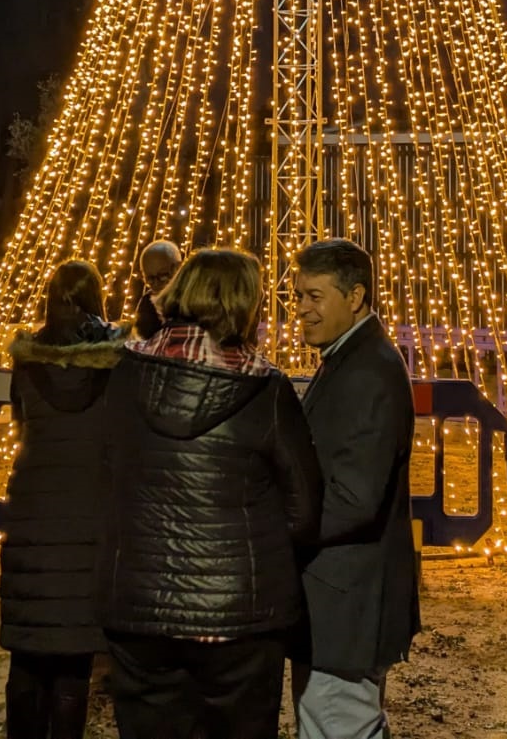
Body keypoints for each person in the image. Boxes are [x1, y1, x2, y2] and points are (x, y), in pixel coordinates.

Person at [101, 248, 323, 739]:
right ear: (243, 306)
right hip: (240, 616)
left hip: (138, 607)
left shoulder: (124, 373)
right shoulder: (266, 388)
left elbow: (107, 474)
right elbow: (303, 511)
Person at [290, 239, 419, 739]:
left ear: (356, 296)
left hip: (346, 604)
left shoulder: (368, 372)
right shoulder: (348, 359)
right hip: (340, 600)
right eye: (299, 296)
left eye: (315, 296)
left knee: (338, 724)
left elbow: (354, 499)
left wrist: (279, 526)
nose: (302, 309)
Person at [0, 261, 126, 739]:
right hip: (87, 515)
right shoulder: (116, 363)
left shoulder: (28, 360)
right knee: (73, 662)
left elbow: (21, 419)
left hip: (33, 511)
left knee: (27, 652)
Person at [127, 239, 182, 339]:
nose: (156, 284)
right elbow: (142, 338)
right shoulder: (147, 302)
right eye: (150, 279)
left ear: (178, 268)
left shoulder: (195, 300)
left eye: (163, 275)